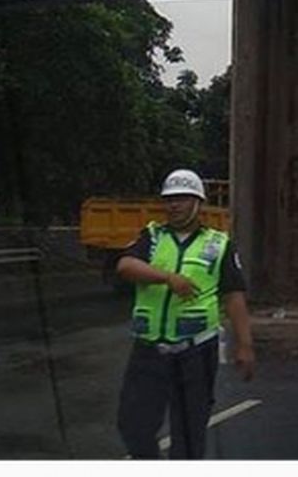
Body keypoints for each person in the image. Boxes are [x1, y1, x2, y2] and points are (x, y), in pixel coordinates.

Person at [115, 168, 255, 459]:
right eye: (170, 199)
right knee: (133, 425)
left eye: (182, 199)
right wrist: (168, 278)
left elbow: (234, 296)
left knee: (189, 434)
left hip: (196, 352)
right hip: (148, 350)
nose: (174, 205)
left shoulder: (218, 244)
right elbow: (125, 266)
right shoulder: (152, 236)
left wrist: (245, 345)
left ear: (198, 203)